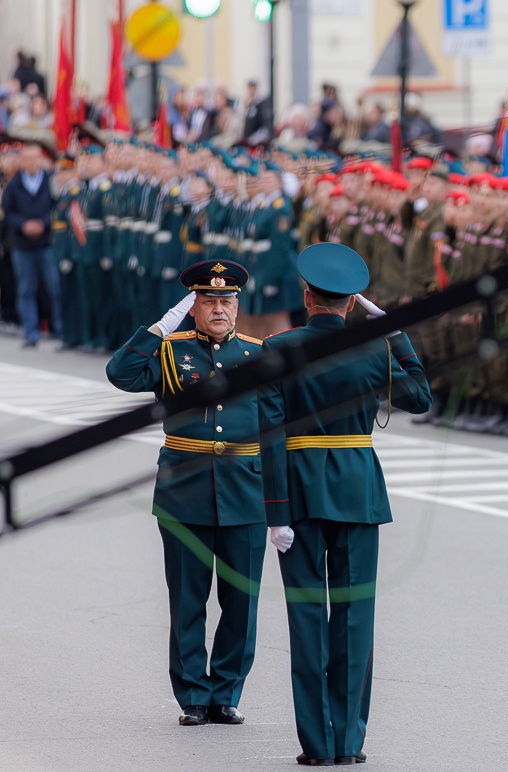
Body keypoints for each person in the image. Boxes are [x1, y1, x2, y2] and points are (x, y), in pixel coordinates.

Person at [259, 242, 431, 766]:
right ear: (353, 303)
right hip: (356, 490)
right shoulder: (372, 349)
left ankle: (316, 744)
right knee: (355, 619)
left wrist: (276, 513)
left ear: (306, 296)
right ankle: (350, 742)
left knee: (307, 618)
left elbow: (269, 436)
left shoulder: (279, 348)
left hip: (300, 493)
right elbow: (420, 396)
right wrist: (396, 332)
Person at [105, 260, 267, 727]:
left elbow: (278, 425)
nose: (219, 309)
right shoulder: (171, 352)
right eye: (209, 301)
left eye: (226, 301)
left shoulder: (259, 355)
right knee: (188, 599)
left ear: (238, 307)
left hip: (246, 489)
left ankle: (226, 691)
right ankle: (194, 694)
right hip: (185, 490)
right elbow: (120, 373)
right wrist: (159, 327)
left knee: (241, 601)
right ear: (192, 307)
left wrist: (281, 504)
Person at [1, 141, 58, 347]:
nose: (31, 162)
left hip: (46, 242)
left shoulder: (50, 180)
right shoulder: (14, 183)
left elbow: (57, 206)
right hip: (22, 244)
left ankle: (58, 328)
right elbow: (8, 212)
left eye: (35, 158)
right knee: (26, 289)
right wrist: (24, 224)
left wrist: (43, 223)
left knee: (53, 287)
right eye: (27, 158)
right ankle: (31, 332)